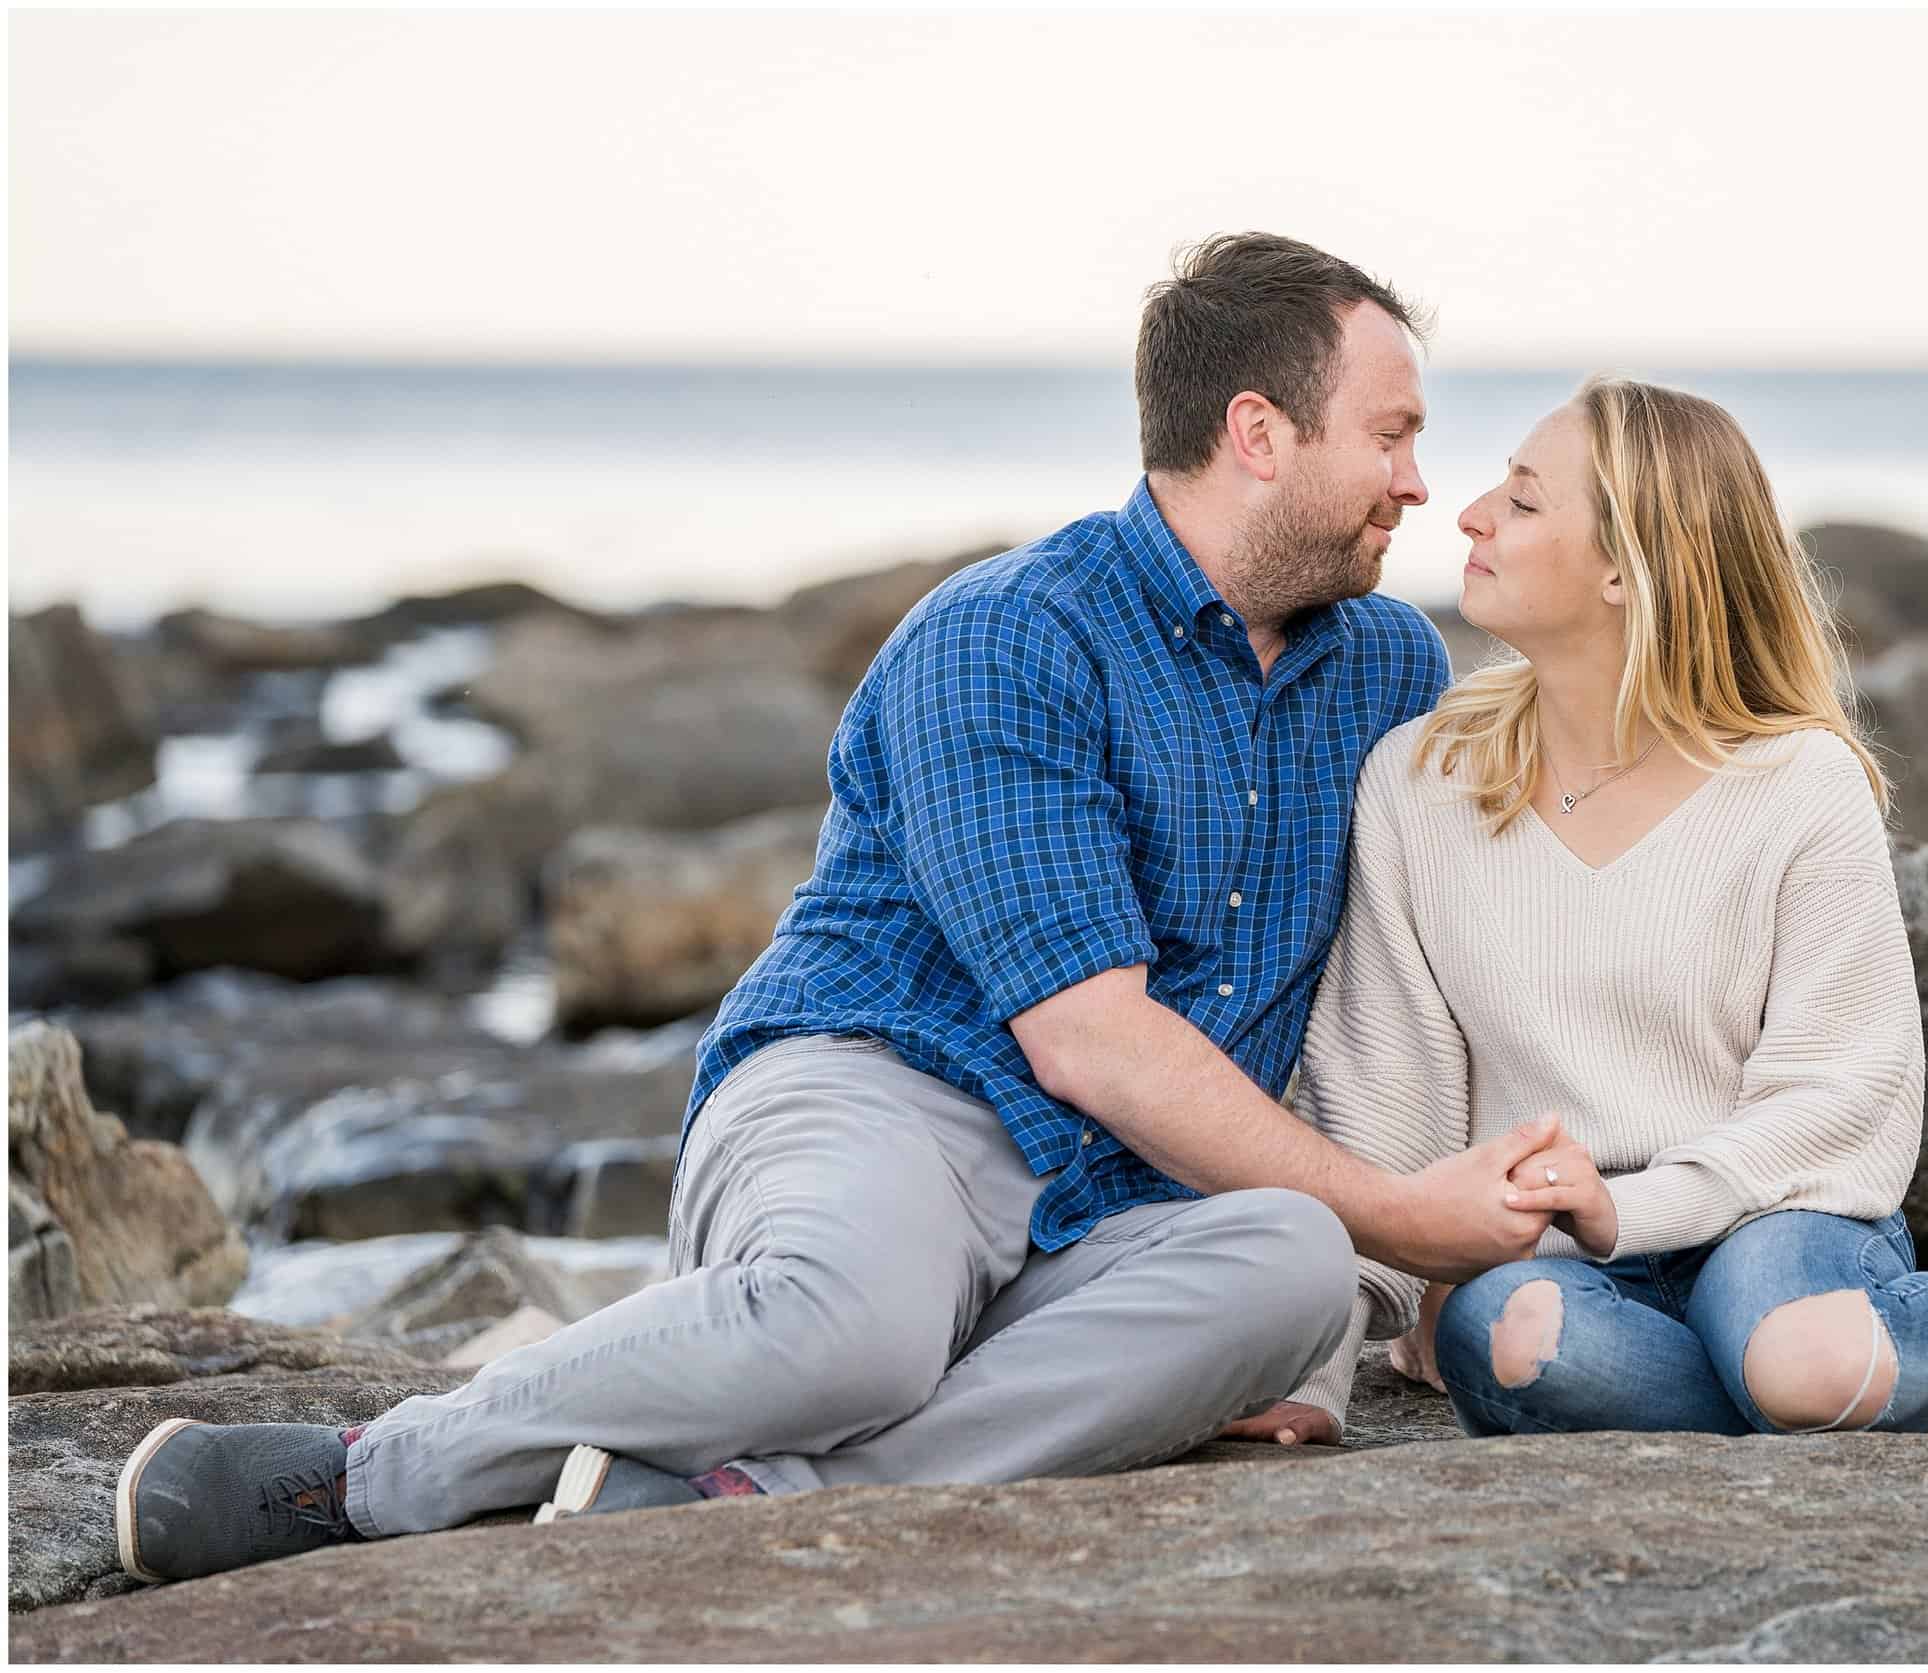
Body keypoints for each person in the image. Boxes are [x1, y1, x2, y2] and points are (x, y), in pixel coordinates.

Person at [115, 233, 1574, 1585]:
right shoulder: (1009, 635)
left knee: (1299, 1263)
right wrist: (1409, 1218)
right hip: (890, 1100)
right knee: (860, 1323)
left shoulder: (1388, 666)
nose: (1414, 485)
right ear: (1260, 433)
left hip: (1127, 1212)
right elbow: (1091, 1043)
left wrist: (1331, 1328)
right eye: (1392, 435)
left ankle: (738, 1498)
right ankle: (374, 1474)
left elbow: (1450, 931)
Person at [1222, 376, 1928, 1452]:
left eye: (1526, 501)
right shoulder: (1419, 780)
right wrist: (1321, 1373)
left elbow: (1838, 1105)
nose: (1473, 512)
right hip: (1558, 1272)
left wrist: (1630, 1207)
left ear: (1629, 567)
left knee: (1790, 1352)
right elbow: (1385, 1115)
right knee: (1510, 1342)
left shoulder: (1797, 783)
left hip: (1780, 1224)